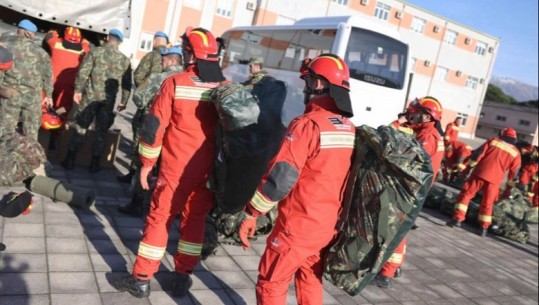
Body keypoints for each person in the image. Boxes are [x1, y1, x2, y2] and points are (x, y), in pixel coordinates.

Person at [111, 27, 226, 298]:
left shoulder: (175, 83)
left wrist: (146, 164)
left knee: (159, 219)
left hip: (175, 170)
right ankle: (182, 277)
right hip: (206, 172)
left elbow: (154, 127)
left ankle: (141, 278)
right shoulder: (223, 87)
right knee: (194, 222)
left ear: (190, 54)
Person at [237, 53, 355, 305]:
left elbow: (280, 178)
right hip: (326, 226)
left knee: (271, 283)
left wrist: (251, 213)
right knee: (310, 279)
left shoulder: (307, 125)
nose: (305, 87)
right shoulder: (347, 128)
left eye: (309, 80)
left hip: (298, 226)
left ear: (320, 84)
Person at [374, 96, 445, 289]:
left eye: (416, 113)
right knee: (399, 228)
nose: (412, 116)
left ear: (427, 116)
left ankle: (386, 273)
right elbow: (389, 131)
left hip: (410, 190)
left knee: (396, 230)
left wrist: (399, 124)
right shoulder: (426, 132)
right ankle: (394, 266)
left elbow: (405, 158)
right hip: (414, 189)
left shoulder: (427, 138)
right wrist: (400, 122)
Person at [117, 45, 184, 217]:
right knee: (167, 168)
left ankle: (137, 203)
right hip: (177, 133)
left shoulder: (159, 78)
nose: (161, 62)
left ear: (171, 60)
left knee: (145, 164)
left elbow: (138, 98)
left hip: (154, 129)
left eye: (163, 59)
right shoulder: (188, 79)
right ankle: (165, 206)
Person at [60, 29, 132, 173]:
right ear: (120, 42)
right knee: (101, 131)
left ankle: (70, 160)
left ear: (107, 38)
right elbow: (126, 84)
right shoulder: (124, 60)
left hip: (90, 97)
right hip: (108, 101)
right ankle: (94, 163)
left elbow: (83, 72)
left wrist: (78, 90)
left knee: (81, 126)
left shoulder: (95, 52)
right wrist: (123, 101)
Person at [447, 127, 521, 237]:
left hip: (480, 174)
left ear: (502, 134)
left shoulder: (493, 141)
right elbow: (514, 175)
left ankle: (457, 219)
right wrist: (508, 189)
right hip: (495, 181)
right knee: (488, 203)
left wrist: (467, 169)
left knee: (466, 195)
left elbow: (477, 155)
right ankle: (483, 228)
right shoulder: (516, 153)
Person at [118, 30, 169, 183]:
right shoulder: (176, 58)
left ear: (154, 41)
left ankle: (134, 174)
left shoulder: (151, 56)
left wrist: (148, 91)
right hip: (165, 107)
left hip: (148, 106)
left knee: (139, 139)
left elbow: (138, 75)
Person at [0, 19, 53, 140]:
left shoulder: (5, 47)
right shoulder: (41, 53)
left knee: (5, 129)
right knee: (31, 133)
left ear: (20, 31)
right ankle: (28, 156)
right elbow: (48, 76)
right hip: (33, 97)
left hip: (10, 94)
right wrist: (48, 95)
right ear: (30, 33)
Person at [45, 26, 90, 120]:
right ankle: (57, 117)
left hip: (51, 81)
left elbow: (49, 35)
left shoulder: (56, 43)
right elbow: (87, 43)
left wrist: (55, 31)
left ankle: (45, 117)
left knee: (45, 101)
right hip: (69, 85)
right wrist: (84, 40)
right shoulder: (84, 50)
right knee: (66, 105)